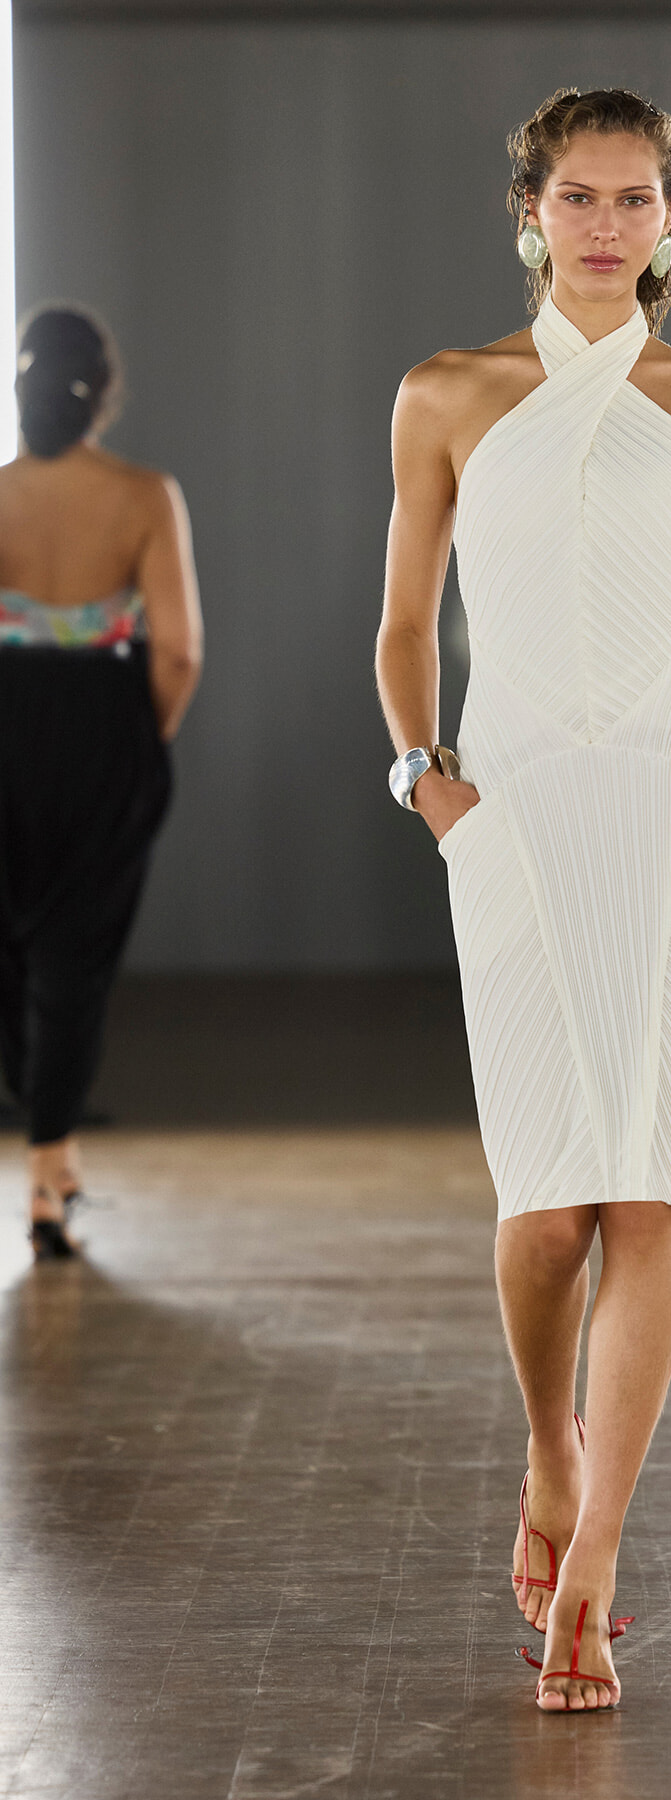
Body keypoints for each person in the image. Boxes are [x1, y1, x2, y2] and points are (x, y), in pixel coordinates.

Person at [376, 87, 671, 1710]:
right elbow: (405, 620)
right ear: (530, 211)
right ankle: (550, 1450)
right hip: (520, 810)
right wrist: (424, 771)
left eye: (636, 199)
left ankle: (600, 1553)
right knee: (549, 1209)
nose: (607, 224)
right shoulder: (446, 393)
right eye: (579, 196)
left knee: (655, 1199)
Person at [0, 304, 203, 1257]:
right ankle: (50, 1173)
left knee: (12, 952)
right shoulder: (144, 494)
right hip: (103, 739)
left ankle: (44, 1141)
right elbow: (180, 654)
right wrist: (137, 748)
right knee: (75, 963)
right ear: (103, 395)